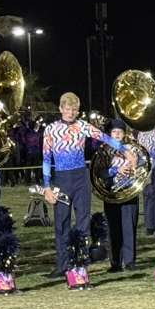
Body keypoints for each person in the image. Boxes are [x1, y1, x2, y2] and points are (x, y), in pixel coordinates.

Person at [41, 93, 136, 278]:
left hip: (80, 178)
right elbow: (46, 158)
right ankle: (62, 265)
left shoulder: (82, 125)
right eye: (67, 109)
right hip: (61, 178)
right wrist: (46, 186)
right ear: (60, 109)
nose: (70, 113)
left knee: (83, 222)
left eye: (74, 110)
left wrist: (125, 150)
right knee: (61, 223)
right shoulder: (51, 129)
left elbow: (104, 137)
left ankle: (80, 265)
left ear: (78, 110)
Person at [102, 118, 140, 271]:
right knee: (113, 227)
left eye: (120, 132)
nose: (117, 135)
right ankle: (115, 262)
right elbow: (99, 172)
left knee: (129, 226)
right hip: (111, 193)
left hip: (130, 191)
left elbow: (143, 168)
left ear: (124, 134)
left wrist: (134, 166)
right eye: (114, 132)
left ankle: (130, 261)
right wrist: (115, 170)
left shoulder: (133, 149)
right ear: (109, 134)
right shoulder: (104, 150)